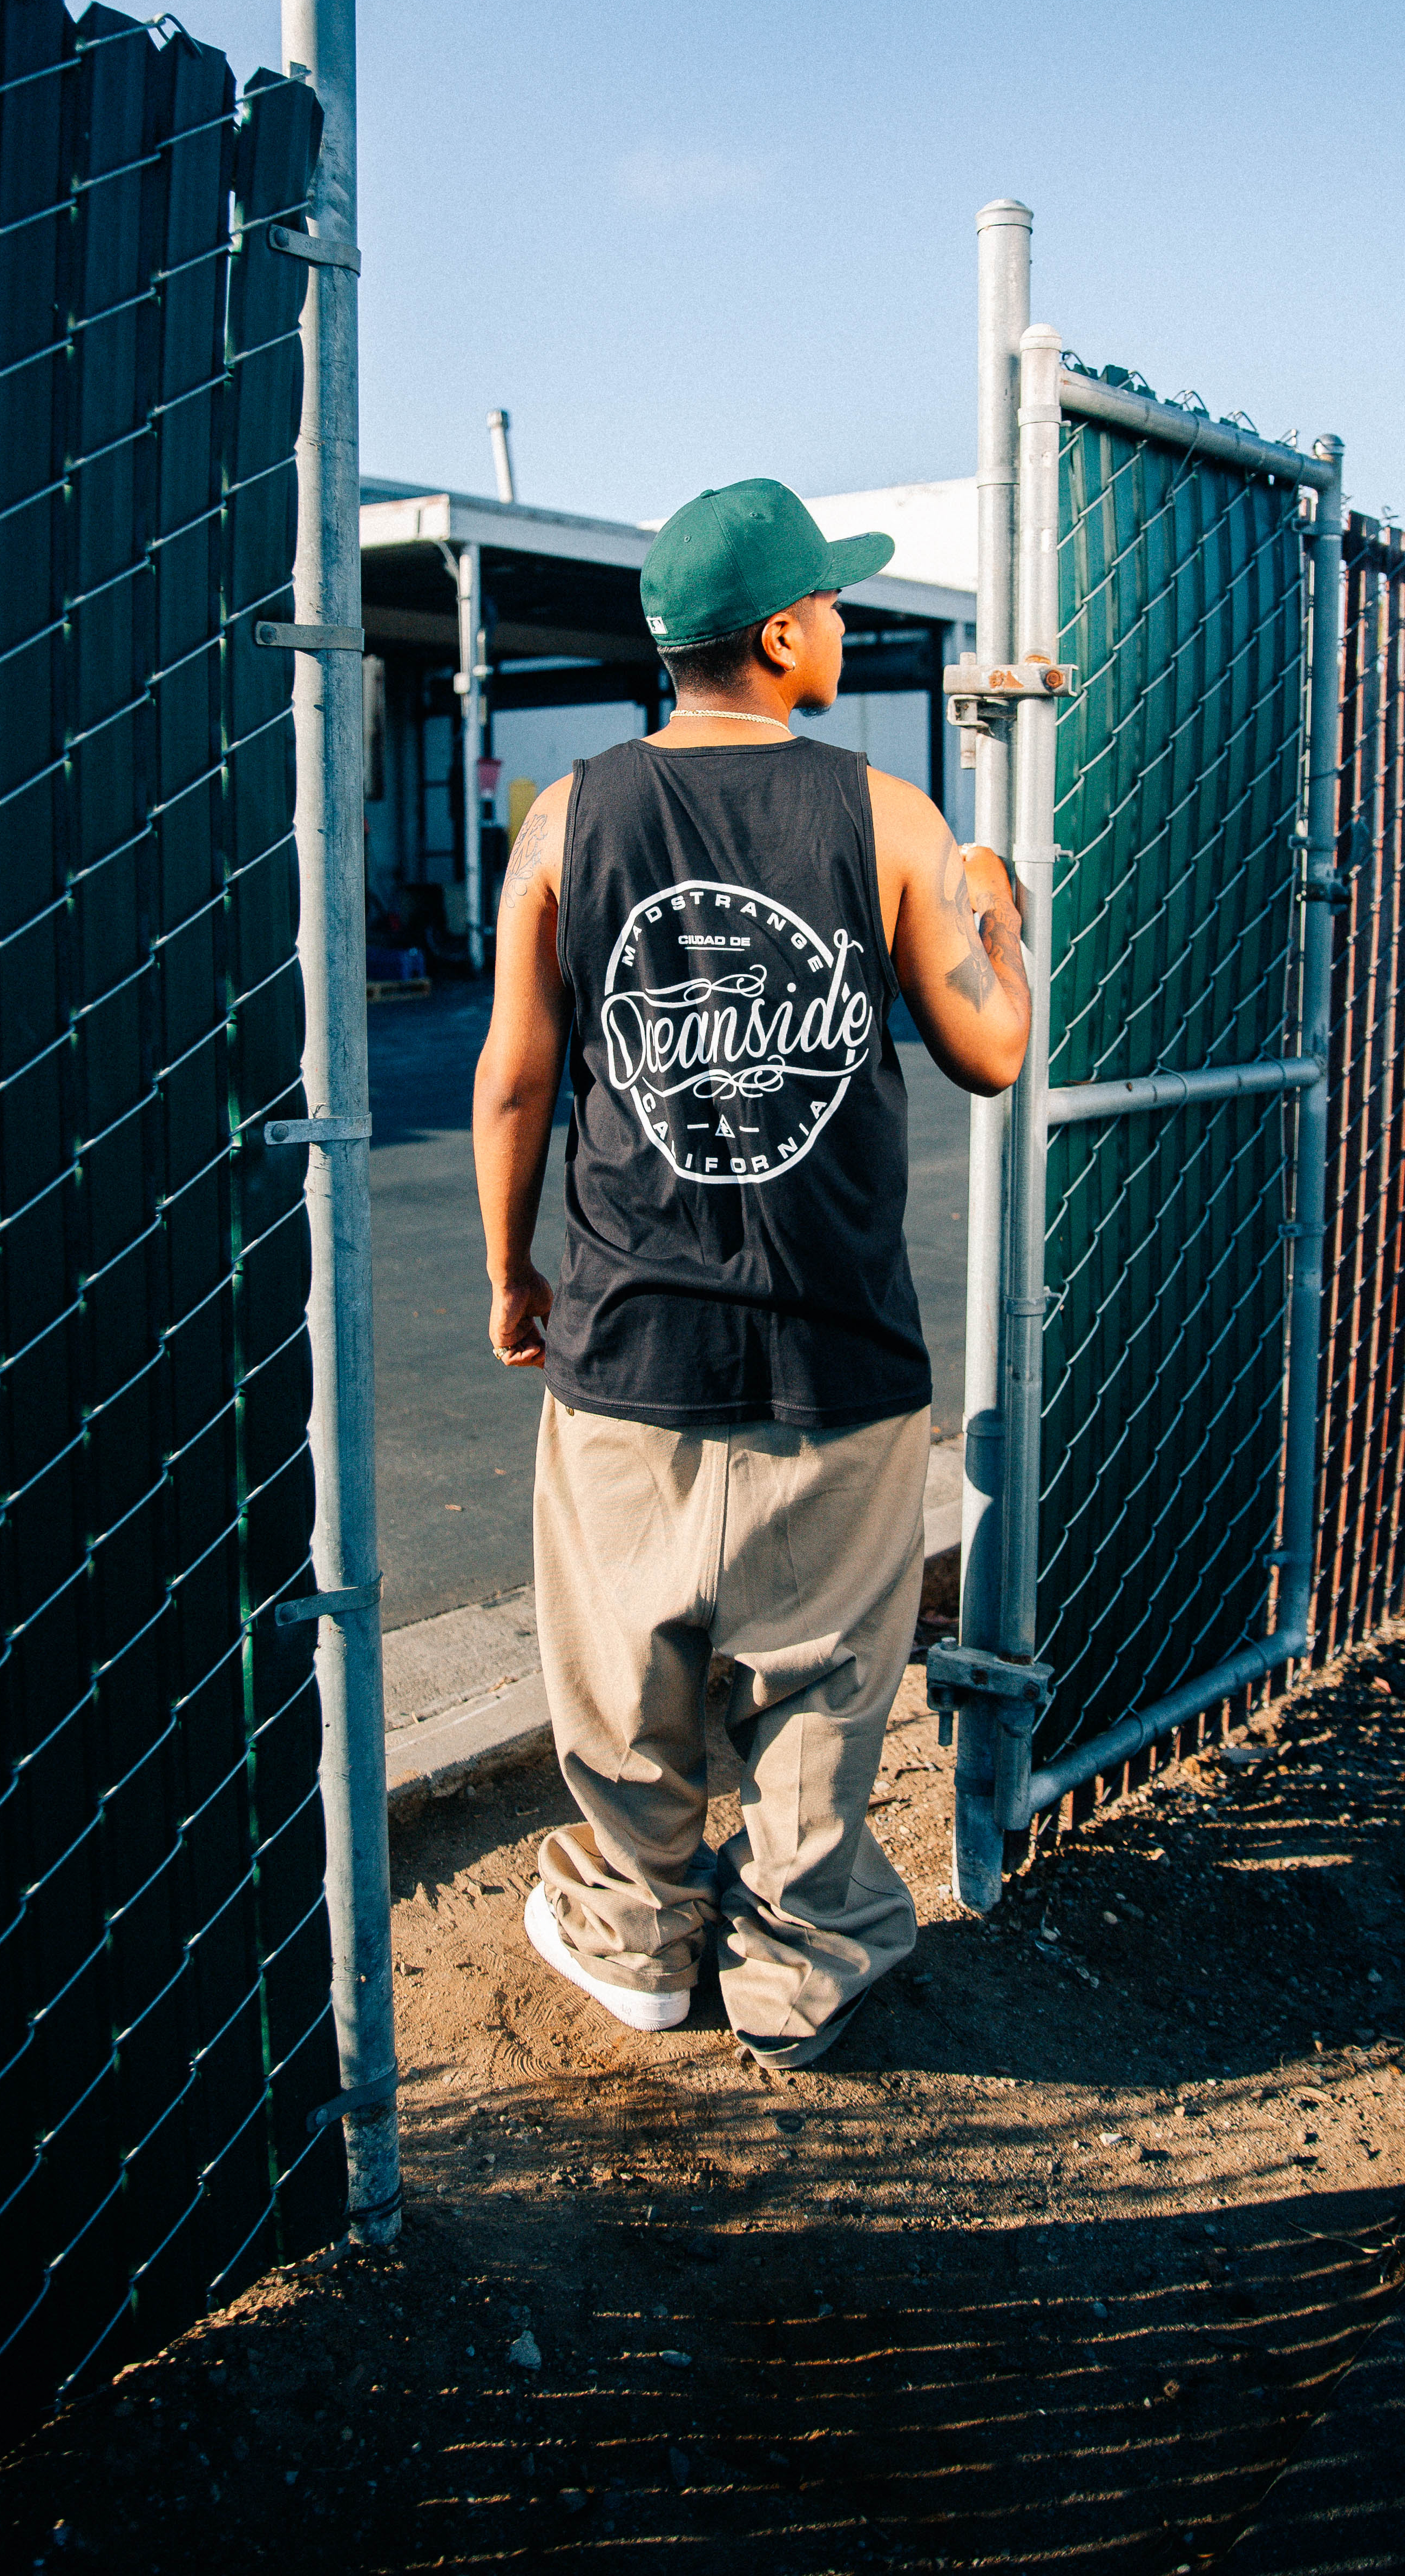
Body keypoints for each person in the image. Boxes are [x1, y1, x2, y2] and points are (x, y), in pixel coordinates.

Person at [471, 477, 1029, 2072]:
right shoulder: (893, 819)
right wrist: (997, 907)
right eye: (832, 604)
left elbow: (516, 1080)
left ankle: (640, 1936)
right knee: (823, 1694)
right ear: (782, 639)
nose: (846, 624)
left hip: (629, 1336)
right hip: (836, 1349)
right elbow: (990, 1048)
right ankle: (797, 1971)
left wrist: (513, 1275)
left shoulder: (567, 819)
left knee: (621, 1669)